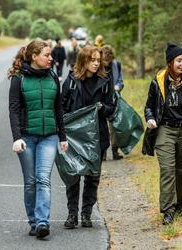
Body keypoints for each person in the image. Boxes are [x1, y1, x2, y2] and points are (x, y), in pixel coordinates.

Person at [8, 40, 68, 239]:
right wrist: (16, 138)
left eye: (51, 55)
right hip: (26, 137)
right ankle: (33, 222)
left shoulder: (53, 76)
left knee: (43, 179)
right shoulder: (19, 79)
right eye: (46, 55)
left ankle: (43, 222)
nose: (51, 58)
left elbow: (58, 108)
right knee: (31, 181)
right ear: (34, 57)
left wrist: (62, 136)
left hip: (48, 137)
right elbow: (14, 110)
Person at [143, 43, 182, 225]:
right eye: (178, 60)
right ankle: (168, 209)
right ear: (170, 62)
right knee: (168, 170)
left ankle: (179, 202)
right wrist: (150, 118)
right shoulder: (158, 83)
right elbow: (149, 107)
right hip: (165, 130)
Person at [61, 45, 115, 228]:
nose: (95, 63)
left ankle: (86, 214)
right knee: (74, 175)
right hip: (75, 137)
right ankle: (71, 214)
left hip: (97, 136)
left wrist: (102, 108)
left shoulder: (105, 80)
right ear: (83, 60)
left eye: (98, 60)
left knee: (92, 177)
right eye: (92, 60)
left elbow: (111, 109)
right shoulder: (71, 80)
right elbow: (61, 107)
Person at [101, 45, 124, 160]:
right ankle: (103, 152)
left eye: (109, 60)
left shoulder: (117, 65)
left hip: (114, 100)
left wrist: (117, 87)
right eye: (105, 60)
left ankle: (115, 150)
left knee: (115, 127)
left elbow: (121, 81)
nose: (107, 62)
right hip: (101, 101)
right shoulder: (98, 67)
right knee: (102, 127)